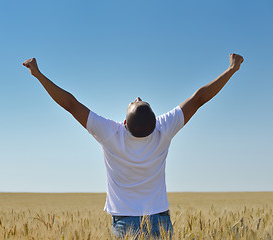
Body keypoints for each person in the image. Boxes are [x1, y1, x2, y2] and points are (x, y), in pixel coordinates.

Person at [23, 53, 244, 238]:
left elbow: (71, 104)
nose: (137, 97)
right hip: (160, 221)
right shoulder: (163, 129)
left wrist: (38, 75)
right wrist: (231, 69)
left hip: (124, 222)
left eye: (136, 102)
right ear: (156, 121)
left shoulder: (110, 133)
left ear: (125, 123)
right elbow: (199, 99)